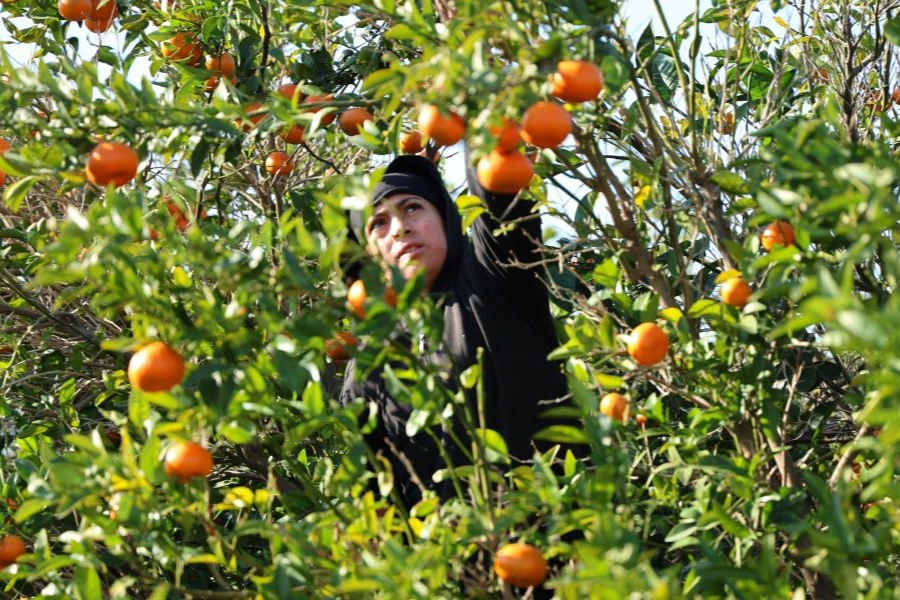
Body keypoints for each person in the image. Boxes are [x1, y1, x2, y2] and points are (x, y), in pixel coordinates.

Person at [340, 152, 575, 509]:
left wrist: (468, 106)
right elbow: (377, 500)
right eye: (379, 223)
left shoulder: (493, 280)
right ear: (368, 255)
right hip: (448, 559)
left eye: (413, 208)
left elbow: (498, 181)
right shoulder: (368, 363)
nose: (400, 228)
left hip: (554, 542)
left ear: (446, 216)